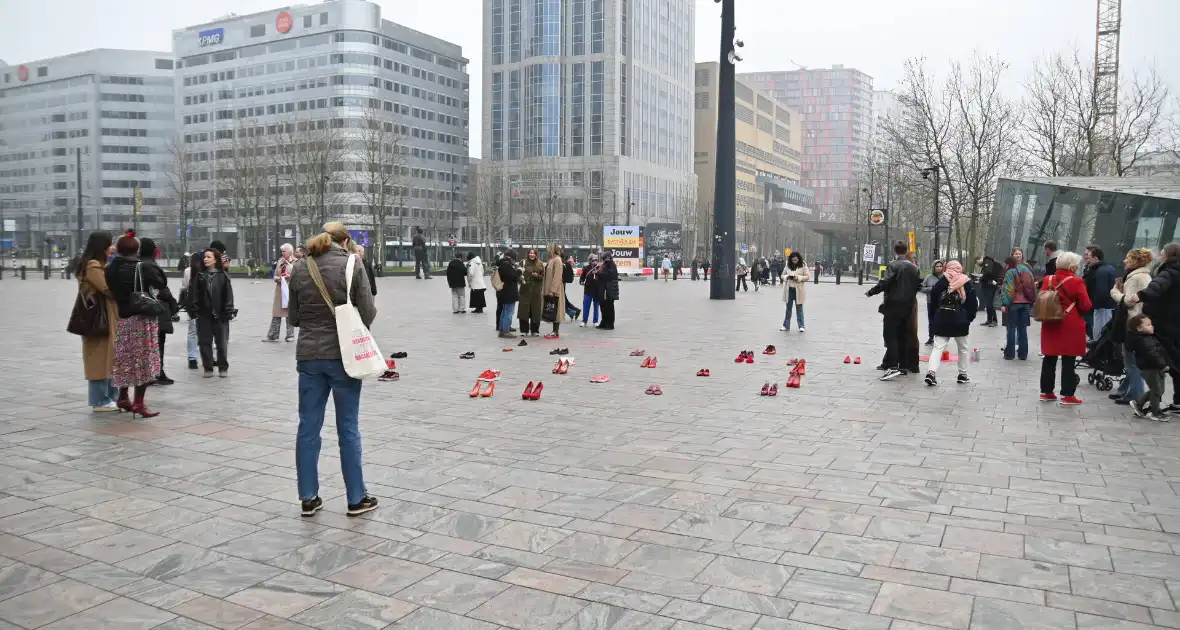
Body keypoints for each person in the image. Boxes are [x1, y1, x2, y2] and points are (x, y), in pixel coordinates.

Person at [287, 222, 378, 517]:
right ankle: (356, 498)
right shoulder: (352, 263)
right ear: (345, 241)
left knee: (308, 427)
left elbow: (294, 317)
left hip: (309, 355)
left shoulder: (300, 266)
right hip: (343, 356)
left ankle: (308, 497)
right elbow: (368, 311)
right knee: (348, 427)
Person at [106, 230, 169, 418]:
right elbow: (161, 282)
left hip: (123, 318)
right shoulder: (142, 267)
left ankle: (123, 397)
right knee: (144, 360)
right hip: (142, 319)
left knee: (125, 359)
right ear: (137, 249)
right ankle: (139, 403)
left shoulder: (110, 268)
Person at [1126, 242, 1180, 414]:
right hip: (1175, 322)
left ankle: (1146, 402)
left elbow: (1156, 287)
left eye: (1162, 253)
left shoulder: (1169, 272)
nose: (1159, 255)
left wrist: (1141, 295)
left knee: (1161, 362)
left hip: (1165, 323)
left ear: (1169, 256)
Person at [1038, 251, 1092, 405]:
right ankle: (1068, 395)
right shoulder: (1076, 282)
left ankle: (1047, 392)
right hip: (1070, 323)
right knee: (1069, 359)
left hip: (1050, 321)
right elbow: (1086, 305)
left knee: (1049, 357)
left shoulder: (1048, 279)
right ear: (1072, 266)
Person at [76, 231, 120, 412]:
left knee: (109, 358)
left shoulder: (99, 265)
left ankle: (110, 398)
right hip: (98, 320)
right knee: (98, 359)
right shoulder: (93, 266)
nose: (112, 248)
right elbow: (109, 289)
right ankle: (100, 401)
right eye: (109, 244)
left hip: (106, 318)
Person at [866, 241, 921, 381]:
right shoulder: (914, 267)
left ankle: (892, 366)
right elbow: (917, 285)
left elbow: (885, 282)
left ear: (894, 251)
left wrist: (872, 291)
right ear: (906, 251)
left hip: (893, 304)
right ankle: (903, 366)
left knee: (890, 335)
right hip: (908, 305)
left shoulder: (893, 265)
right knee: (902, 335)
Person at [1109, 247, 1154, 405]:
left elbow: (1128, 301)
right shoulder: (1144, 276)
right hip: (1139, 321)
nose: (1125, 261)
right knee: (1132, 359)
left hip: (1132, 322)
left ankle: (1136, 395)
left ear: (1135, 261)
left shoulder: (1135, 278)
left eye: (1128, 258)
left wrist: (1114, 292)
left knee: (1130, 361)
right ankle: (1125, 391)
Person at [924, 260, 979, 386]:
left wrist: (933, 318)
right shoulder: (966, 282)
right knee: (963, 349)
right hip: (960, 320)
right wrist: (969, 318)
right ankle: (962, 374)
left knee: (938, 347)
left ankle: (931, 373)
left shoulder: (940, 283)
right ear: (960, 268)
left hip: (942, 319)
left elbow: (933, 303)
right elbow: (972, 304)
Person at [138, 238, 178, 385]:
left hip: (143, 307)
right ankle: (156, 372)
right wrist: (173, 304)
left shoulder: (137, 264)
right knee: (157, 342)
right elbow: (161, 287)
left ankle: (151, 372)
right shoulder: (149, 266)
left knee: (147, 343)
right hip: (155, 308)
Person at [193, 248, 235, 378]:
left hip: (220, 315)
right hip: (204, 315)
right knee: (204, 342)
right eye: (204, 257)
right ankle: (208, 367)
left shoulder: (223, 276)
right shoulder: (200, 276)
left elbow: (228, 296)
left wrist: (228, 310)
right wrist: (196, 310)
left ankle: (223, 367)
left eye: (208, 257)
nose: (205, 259)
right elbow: (195, 295)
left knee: (221, 343)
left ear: (215, 259)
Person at [1126, 314, 1171, 421]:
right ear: (1139, 328)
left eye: (1151, 324)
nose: (1152, 326)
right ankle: (1155, 412)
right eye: (1148, 325)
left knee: (1159, 390)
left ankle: (1139, 403)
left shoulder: (1148, 337)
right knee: (1156, 390)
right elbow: (1153, 354)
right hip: (1150, 368)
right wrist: (1162, 365)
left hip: (1155, 367)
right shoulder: (1144, 340)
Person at [1000, 252, 1036, 361]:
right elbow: (1032, 286)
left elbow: (1009, 289)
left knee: (1011, 328)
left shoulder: (1010, 272)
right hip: (1025, 304)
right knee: (1022, 329)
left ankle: (1009, 354)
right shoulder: (1027, 270)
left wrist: (1005, 303)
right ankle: (1023, 354)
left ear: (1009, 264)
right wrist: (1031, 301)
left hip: (1014, 303)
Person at [1083, 245, 1117, 339]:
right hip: (1105, 306)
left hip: (1101, 307)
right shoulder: (1106, 268)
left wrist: (1093, 305)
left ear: (1095, 258)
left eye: (1089, 256)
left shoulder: (1100, 271)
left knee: (1099, 333)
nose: (1086, 258)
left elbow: (1101, 292)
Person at [266, 244, 296, 342]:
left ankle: (290, 335)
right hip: (280, 290)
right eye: (281, 251)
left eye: (284, 251)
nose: (282, 253)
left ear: (290, 252)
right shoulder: (280, 261)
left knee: (289, 313)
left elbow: (298, 275)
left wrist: (289, 277)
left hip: (290, 290)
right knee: (276, 313)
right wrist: (277, 278)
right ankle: (273, 335)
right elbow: (275, 274)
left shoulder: (295, 262)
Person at [780, 252, 810, 332]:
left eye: (795, 260)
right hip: (789, 289)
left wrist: (798, 278)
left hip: (798, 290)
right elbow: (782, 275)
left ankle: (801, 326)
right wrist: (787, 277)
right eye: (792, 260)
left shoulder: (803, 265)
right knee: (788, 309)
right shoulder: (788, 265)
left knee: (799, 309)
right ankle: (786, 325)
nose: (794, 261)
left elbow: (808, 277)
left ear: (798, 259)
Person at [181, 252, 202, 369]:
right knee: (205, 332)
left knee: (192, 331)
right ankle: (207, 356)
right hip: (202, 304)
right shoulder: (205, 271)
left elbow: (184, 286)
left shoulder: (188, 270)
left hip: (192, 303)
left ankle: (192, 358)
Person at [542, 244, 567, 339]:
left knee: (556, 310)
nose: (547, 251)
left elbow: (557, 276)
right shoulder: (551, 260)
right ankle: (554, 331)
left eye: (548, 249)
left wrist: (552, 290)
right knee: (552, 310)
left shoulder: (557, 260)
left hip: (556, 290)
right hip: (551, 290)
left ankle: (555, 332)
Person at [518, 249, 544, 336]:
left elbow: (543, 277)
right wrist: (520, 279)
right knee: (524, 311)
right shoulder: (523, 262)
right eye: (530, 253)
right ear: (528, 254)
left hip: (536, 291)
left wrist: (537, 276)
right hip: (525, 290)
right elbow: (518, 274)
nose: (532, 255)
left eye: (533, 253)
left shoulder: (540, 264)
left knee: (535, 311)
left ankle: (535, 330)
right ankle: (524, 330)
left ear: (536, 254)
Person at [920, 261, 945, 346]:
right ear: (934, 267)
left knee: (941, 320)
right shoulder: (928, 277)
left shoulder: (945, 277)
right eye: (937, 266)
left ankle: (941, 338)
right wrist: (933, 289)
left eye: (940, 266)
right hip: (931, 301)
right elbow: (922, 288)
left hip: (943, 302)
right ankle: (931, 338)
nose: (939, 268)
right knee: (931, 320)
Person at [497, 250, 521, 338]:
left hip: (505, 292)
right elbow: (512, 277)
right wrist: (519, 271)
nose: (514, 260)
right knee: (509, 312)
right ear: (511, 257)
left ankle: (502, 330)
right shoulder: (506, 265)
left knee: (505, 311)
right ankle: (505, 331)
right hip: (508, 292)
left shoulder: (503, 264)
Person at [978, 255, 1003, 327]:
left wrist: (982, 277)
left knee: (989, 303)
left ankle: (994, 320)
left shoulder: (987, 262)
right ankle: (989, 320)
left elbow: (988, 273)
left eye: (977, 261)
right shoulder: (995, 263)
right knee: (988, 303)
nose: (978, 263)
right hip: (991, 285)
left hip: (988, 285)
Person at [597, 251, 620, 330]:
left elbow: (609, 275)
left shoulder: (612, 265)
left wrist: (598, 273)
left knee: (609, 307)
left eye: (605, 258)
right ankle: (604, 322)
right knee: (603, 306)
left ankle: (610, 324)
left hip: (609, 290)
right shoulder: (605, 265)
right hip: (604, 289)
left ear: (609, 257)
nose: (604, 260)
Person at [580, 254, 601, 327]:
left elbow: (603, 277)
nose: (595, 261)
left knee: (596, 307)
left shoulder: (600, 268)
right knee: (586, 306)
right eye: (593, 260)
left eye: (596, 260)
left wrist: (598, 272)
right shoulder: (586, 268)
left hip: (597, 290)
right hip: (588, 290)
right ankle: (584, 321)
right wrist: (581, 281)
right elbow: (582, 277)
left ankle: (595, 321)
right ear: (590, 261)